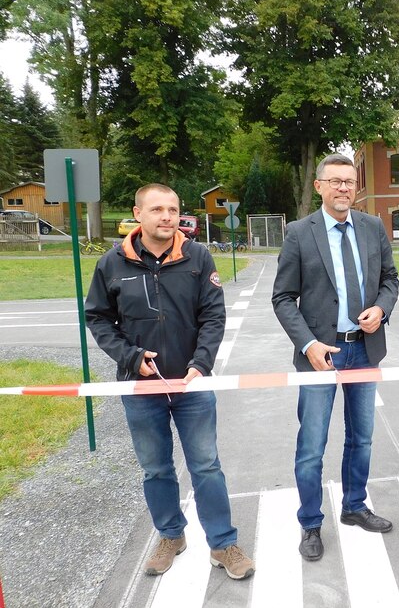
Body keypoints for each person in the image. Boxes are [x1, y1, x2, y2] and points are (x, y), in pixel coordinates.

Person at [85, 184, 254, 580]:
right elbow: (97, 318)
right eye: (157, 209)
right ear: (137, 213)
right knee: (155, 468)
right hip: (140, 387)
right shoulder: (113, 263)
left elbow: (214, 316)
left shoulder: (198, 257)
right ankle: (170, 535)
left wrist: (202, 363)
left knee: (207, 465)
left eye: (173, 209)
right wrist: (130, 357)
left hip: (191, 384)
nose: (167, 216)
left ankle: (223, 543)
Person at [272, 153, 399, 562]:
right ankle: (310, 522)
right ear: (320, 186)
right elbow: (283, 298)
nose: (345, 187)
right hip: (319, 355)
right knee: (312, 444)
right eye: (336, 181)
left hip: (363, 349)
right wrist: (308, 343)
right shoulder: (298, 233)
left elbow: (390, 280)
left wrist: (381, 309)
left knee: (361, 437)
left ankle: (354, 505)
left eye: (350, 181)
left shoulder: (372, 226)